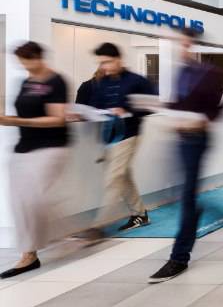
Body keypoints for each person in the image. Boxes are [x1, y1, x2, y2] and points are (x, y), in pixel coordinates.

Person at [149, 28, 223, 283]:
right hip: (180, 138)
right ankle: (209, 211)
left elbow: (217, 110)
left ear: (195, 46)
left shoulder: (211, 74)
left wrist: (201, 121)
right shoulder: (181, 73)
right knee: (183, 195)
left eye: (184, 44)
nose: (181, 49)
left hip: (197, 140)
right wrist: (157, 106)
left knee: (187, 197)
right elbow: (178, 104)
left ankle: (179, 257)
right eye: (178, 44)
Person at [0, 42, 70, 279]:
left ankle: (52, 238)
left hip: (50, 146)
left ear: (39, 57)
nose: (25, 66)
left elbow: (57, 119)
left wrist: (15, 121)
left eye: (27, 61)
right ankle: (28, 254)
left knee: (34, 199)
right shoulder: (26, 82)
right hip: (23, 147)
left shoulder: (56, 81)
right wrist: (10, 119)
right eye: (21, 62)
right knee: (19, 202)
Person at [86, 42, 156, 233]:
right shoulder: (102, 83)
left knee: (113, 178)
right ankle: (140, 214)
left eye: (107, 62)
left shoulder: (137, 81)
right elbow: (94, 105)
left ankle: (98, 226)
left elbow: (152, 105)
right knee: (123, 176)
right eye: (101, 63)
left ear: (118, 59)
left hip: (129, 135)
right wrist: (85, 113)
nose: (104, 67)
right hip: (108, 137)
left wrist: (127, 110)